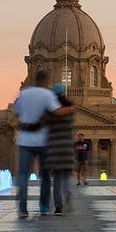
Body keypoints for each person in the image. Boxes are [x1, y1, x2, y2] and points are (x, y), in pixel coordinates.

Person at [13, 70, 74, 218]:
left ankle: (22, 205)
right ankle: (45, 206)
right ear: (46, 81)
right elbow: (58, 111)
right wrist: (72, 108)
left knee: (22, 174)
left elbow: (17, 113)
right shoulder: (48, 95)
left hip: (24, 139)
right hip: (43, 141)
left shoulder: (24, 93)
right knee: (45, 175)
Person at [45, 84, 75, 216]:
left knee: (56, 179)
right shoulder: (70, 110)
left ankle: (58, 207)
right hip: (67, 147)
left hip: (55, 148)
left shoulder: (50, 113)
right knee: (66, 177)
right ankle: (67, 192)